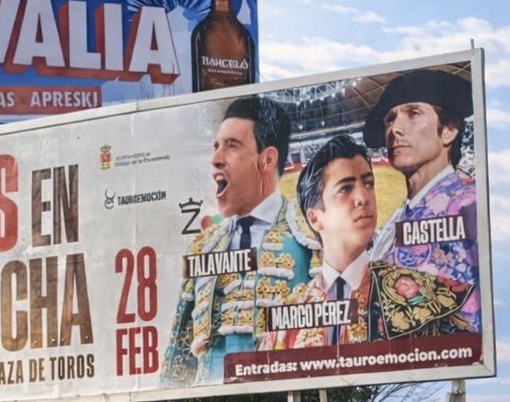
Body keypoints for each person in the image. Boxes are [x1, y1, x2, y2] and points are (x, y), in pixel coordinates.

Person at [161, 94, 313, 384]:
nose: (216, 159)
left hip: (284, 398)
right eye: (216, 146)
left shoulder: (309, 232)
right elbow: (181, 351)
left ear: (267, 159)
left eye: (232, 146)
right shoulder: (203, 246)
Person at [364, 68, 481, 333]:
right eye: (389, 119)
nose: (395, 129)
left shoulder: (469, 202)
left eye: (413, 113)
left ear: (449, 131)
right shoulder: (400, 214)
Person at [269, 133, 379, 349]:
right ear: (315, 218)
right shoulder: (289, 312)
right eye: (345, 189)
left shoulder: (407, 293)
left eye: (368, 184)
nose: (364, 198)